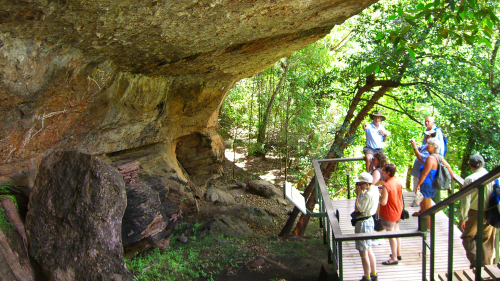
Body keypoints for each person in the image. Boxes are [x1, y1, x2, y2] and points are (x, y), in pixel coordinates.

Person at [459, 154, 495, 268]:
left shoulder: (470, 179)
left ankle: (476, 263)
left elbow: (466, 201)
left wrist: (463, 218)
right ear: (483, 164)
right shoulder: (494, 177)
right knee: (486, 240)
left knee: (467, 237)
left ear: (470, 165)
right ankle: (486, 268)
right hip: (490, 212)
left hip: (474, 212)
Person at [416, 137, 454, 229]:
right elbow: (448, 166)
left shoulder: (430, 158)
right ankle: (426, 227)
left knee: (426, 208)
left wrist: (418, 184)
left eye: (429, 144)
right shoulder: (439, 157)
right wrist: (453, 176)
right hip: (432, 184)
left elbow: (425, 173)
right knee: (426, 206)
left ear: (434, 147)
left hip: (426, 184)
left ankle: (427, 228)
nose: (427, 145)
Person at [354, 172, 379, 281]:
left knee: (363, 252)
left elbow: (357, 209)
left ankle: (367, 276)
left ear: (367, 184)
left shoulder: (367, 194)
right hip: (369, 220)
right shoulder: (374, 189)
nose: (359, 186)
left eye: (361, 184)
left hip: (363, 223)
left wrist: (358, 194)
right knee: (368, 248)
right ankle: (373, 273)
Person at [379, 163, 403, 265]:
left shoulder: (386, 185)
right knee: (396, 231)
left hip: (389, 212)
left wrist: (378, 195)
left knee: (391, 234)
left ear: (387, 173)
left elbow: (383, 202)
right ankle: (398, 253)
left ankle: (393, 258)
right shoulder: (397, 181)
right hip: (398, 209)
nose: (382, 171)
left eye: (383, 170)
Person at [409, 130, 436, 213]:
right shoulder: (426, 146)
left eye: (427, 136)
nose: (426, 137)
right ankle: (421, 211)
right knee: (422, 199)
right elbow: (419, 148)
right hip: (420, 175)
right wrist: (414, 144)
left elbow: (420, 158)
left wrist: (419, 184)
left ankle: (427, 222)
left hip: (426, 180)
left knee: (425, 201)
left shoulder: (431, 155)